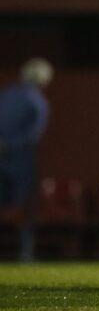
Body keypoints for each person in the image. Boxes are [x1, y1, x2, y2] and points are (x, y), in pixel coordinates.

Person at [0, 58, 53, 262]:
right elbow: (31, 136)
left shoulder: (5, 95)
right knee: (25, 208)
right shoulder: (37, 102)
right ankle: (25, 252)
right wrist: (10, 146)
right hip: (21, 162)